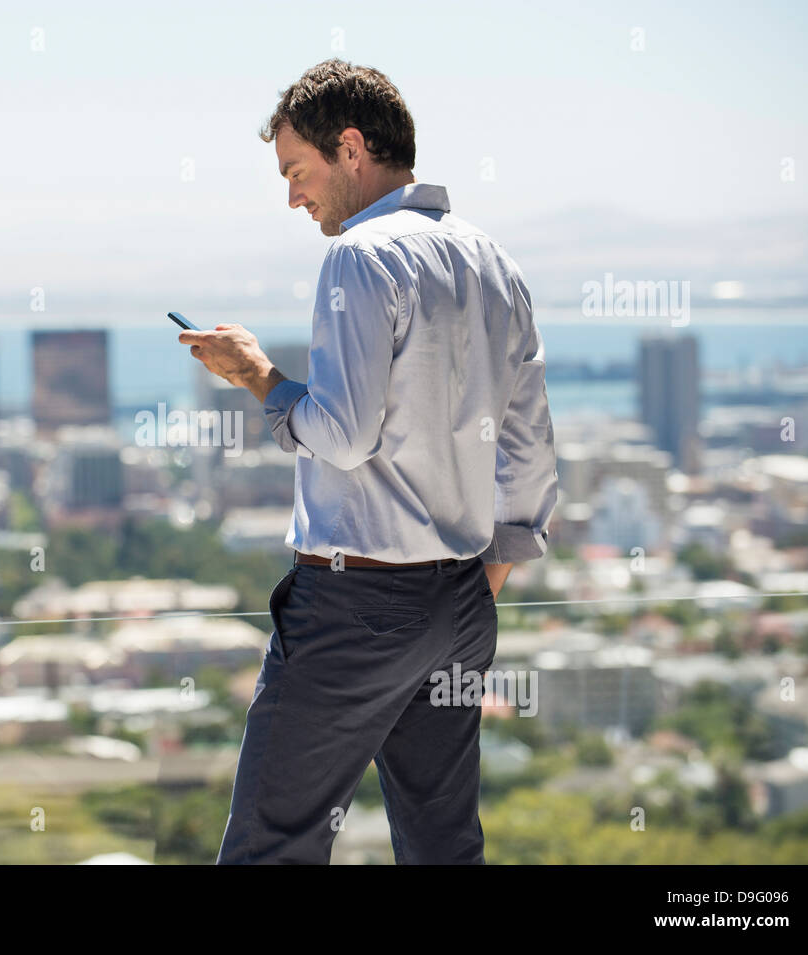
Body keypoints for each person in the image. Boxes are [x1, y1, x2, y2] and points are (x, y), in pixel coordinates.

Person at [178, 59, 559, 865]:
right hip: (458, 604)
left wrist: (260, 378)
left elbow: (344, 436)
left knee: (271, 845)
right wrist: (482, 578)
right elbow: (527, 446)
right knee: (443, 846)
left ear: (350, 147)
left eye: (296, 171)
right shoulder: (497, 262)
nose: (292, 197)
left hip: (355, 606)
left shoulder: (360, 257)